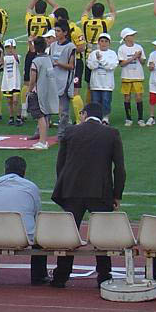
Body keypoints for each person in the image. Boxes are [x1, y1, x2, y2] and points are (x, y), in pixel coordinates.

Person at [50, 101, 125, 288]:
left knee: (69, 234)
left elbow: (61, 164)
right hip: (100, 191)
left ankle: (61, 275)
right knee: (102, 235)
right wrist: (117, 194)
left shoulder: (71, 132)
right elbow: (120, 169)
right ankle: (103, 274)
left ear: (84, 114)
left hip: (72, 190)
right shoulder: (111, 133)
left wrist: (63, 186)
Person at [0, 157, 48, 285]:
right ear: (24, 171)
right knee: (40, 236)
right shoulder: (31, 186)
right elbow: (36, 213)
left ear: (5, 169)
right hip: (24, 236)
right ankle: (39, 277)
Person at [49, 22, 78, 135]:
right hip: (53, 79)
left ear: (65, 33)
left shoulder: (70, 47)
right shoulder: (53, 45)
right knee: (48, 107)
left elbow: (71, 66)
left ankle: (62, 132)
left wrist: (58, 63)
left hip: (64, 80)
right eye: (55, 31)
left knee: (64, 109)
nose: (56, 33)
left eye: (58, 31)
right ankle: (40, 131)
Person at [26, 35, 55, 150]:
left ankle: (42, 141)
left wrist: (29, 91)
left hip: (39, 91)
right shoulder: (48, 59)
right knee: (45, 116)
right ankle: (43, 139)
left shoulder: (36, 61)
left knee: (40, 116)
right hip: (48, 89)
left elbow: (33, 78)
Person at [116, 27, 145, 126]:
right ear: (126, 37)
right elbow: (122, 63)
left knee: (138, 97)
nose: (133, 37)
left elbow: (143, 62)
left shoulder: (139, 47)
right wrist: (134, 57)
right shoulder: (121, 49)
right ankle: (128, 119)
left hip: (138, 76)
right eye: (131, 35)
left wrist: (139, 57)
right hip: (126, 76)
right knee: (127, 97)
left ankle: (140, 119)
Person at [85, 33, 118, 121]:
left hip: (107, 84)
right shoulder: (93, 53)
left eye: (106, 41)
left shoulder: (112, 54)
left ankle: (105, 118)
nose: (103, 43)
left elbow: (111, 66)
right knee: (95, 102)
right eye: (102, 41)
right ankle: (96, 118)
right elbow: (91, 66)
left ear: (109, 43)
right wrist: (97, 60)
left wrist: (101, 60)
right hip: (95, 83)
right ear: (98, 43)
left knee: (106, 102)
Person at [0, 39, 22, 125]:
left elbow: (17, 59)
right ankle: (11, 117)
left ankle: (19, 117)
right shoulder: (4, 58)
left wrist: (13, 50)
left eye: (10, 47)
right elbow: (1, 64)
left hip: (15, 82)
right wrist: (2, 53)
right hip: (7, 83)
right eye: (7, 48)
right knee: (9, 101)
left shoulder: (17, 56)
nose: (9, 49)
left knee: (16, 100)